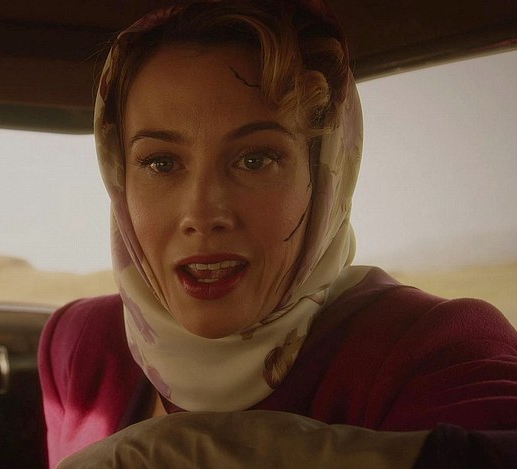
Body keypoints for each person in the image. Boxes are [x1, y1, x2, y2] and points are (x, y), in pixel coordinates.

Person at [38, 0, 517, 467]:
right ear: (120, 177)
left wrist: (166, 452)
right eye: (161, 163)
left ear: (324, 174)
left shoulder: (432, 347)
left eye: (255, 159)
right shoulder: (80, 343)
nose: (202, 213)